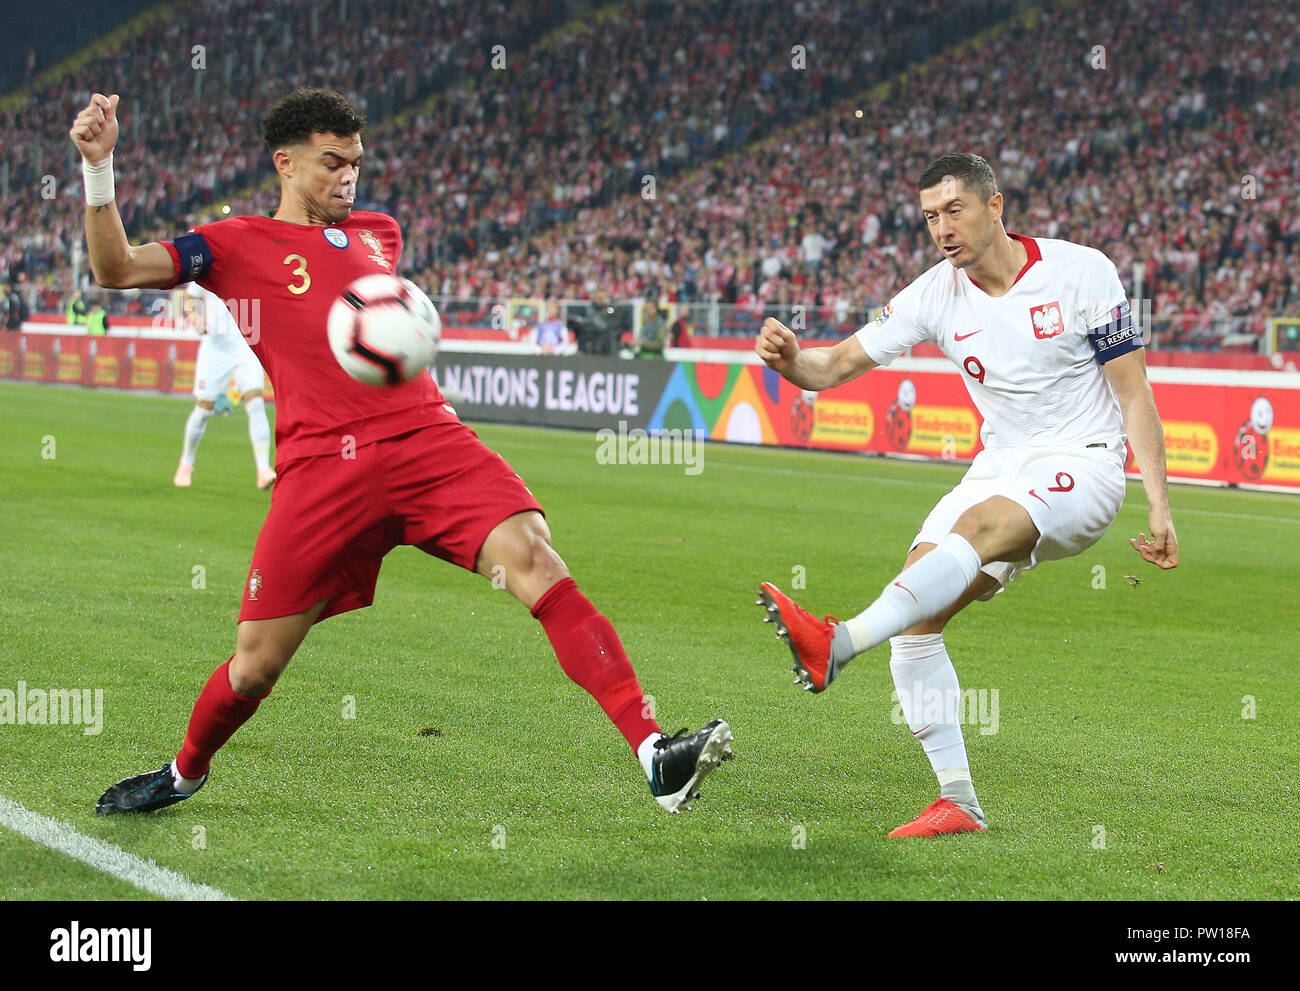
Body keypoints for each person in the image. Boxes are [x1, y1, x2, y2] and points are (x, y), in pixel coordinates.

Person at [72, 88, 731, 816]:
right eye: (332, 163)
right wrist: (99, 169)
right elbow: (117, 269)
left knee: (538, 558)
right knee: (256, 666)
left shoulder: (380, 232)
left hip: (427, 439)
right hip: (322, 468)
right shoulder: (232, 245)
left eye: (356, 162)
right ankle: (184, 772)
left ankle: (653, 754)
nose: (349, 177)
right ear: (284, 164)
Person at [754, 152, 1178, 838]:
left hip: (1085, 464)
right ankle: (959, 800)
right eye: (929, 217)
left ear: (995, 205)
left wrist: (1159, 503)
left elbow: (1134, 393)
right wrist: (789, 361)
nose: (942, 228)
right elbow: (830, 365)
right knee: (916, 615)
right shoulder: (933, 293)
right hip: (999, 464)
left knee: (976, 528)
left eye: (954, 210)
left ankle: (836, 643)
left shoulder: (1081, 272)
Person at [173, 282, 277, 490]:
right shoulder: (209, 261)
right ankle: (186, 462)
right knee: (204, 410)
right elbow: (189, 298)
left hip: (247, 344)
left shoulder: (253, 264)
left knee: (255, 403)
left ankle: (263, 469)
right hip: (216, 346)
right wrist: (196, 318)